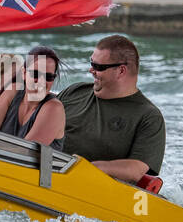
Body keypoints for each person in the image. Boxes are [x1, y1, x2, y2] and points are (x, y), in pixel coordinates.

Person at [58, 35, 165, 184]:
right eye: (91, 63)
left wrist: (86, 167)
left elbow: (135, 170)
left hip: (90, 189)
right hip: (45, 175)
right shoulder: (74, 92)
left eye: (98, 67)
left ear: (121, 71)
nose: (91, 70)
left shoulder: (148, 117)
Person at [0, 45, 65, 150]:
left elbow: (24, 152)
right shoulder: (13, 91)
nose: (41, 81)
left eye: (48, 77)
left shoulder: (54, 108)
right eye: (35, 74)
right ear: (24, 73)